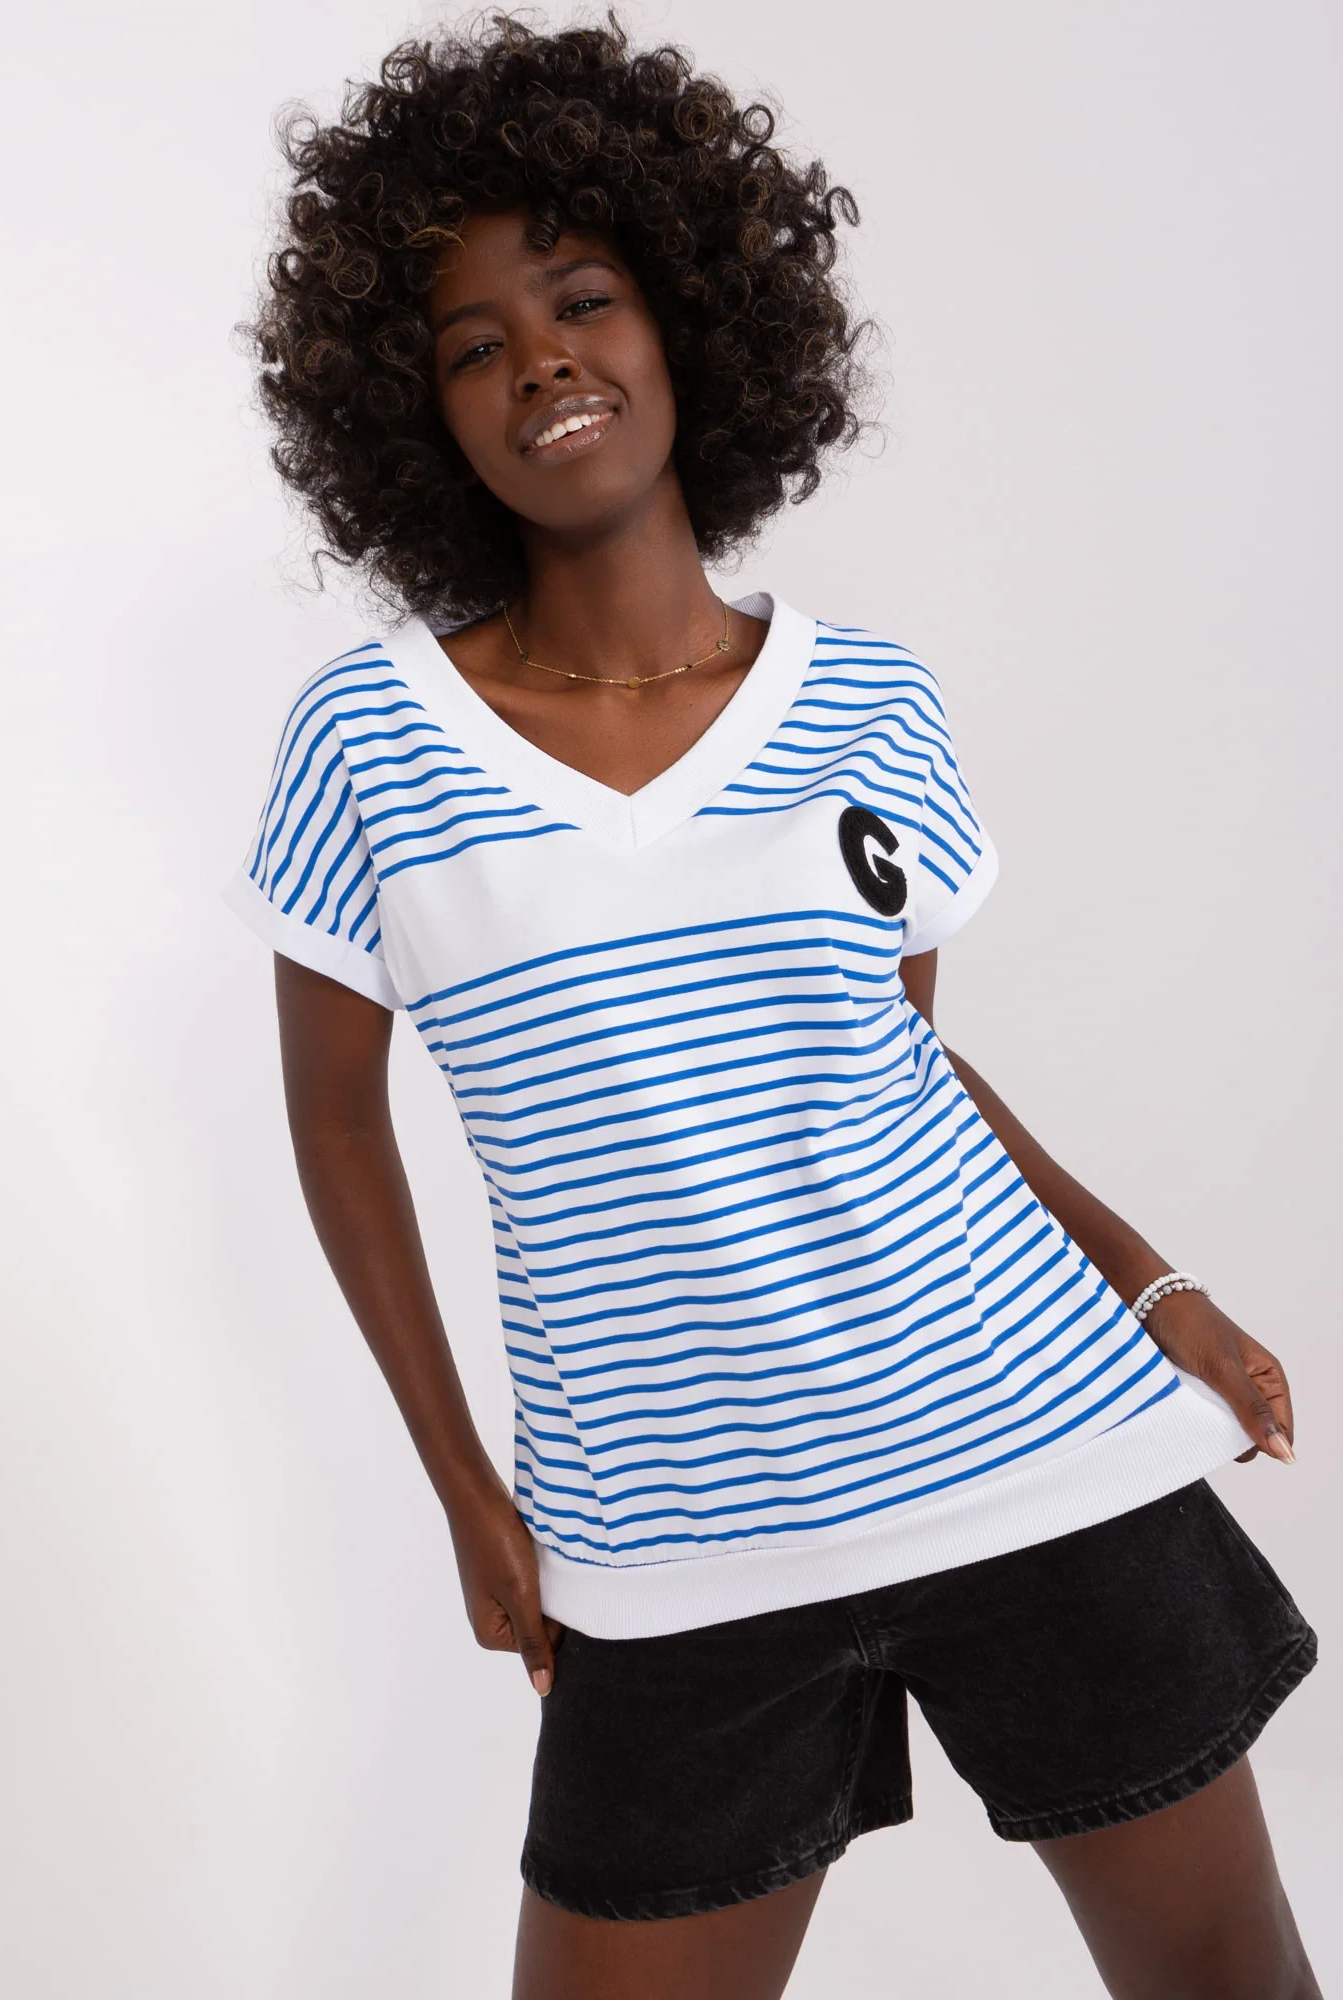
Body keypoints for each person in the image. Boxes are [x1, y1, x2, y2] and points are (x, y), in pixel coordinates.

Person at [223, 17, 1319, 1997]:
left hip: (1030, 1448)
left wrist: (1151, 1281)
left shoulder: (870, 701)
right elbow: (329, 1118)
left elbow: (902, 1059)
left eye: (581, 298)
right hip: (670, 1549)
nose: (542, 359)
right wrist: (464, 1485)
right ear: (413, 411)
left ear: (686, 322)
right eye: (473, 343)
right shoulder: (369, 740)